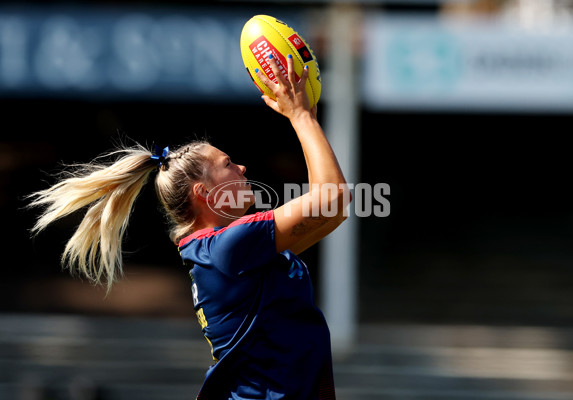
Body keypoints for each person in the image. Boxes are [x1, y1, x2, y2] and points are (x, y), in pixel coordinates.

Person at [28, 54, 351, 399]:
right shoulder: (231, 247)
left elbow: (332, 213)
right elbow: (333, 200)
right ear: (205, 193)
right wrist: (301, 117)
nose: (242, 168)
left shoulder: (229, 249)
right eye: (228, 164)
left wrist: (309, 118)